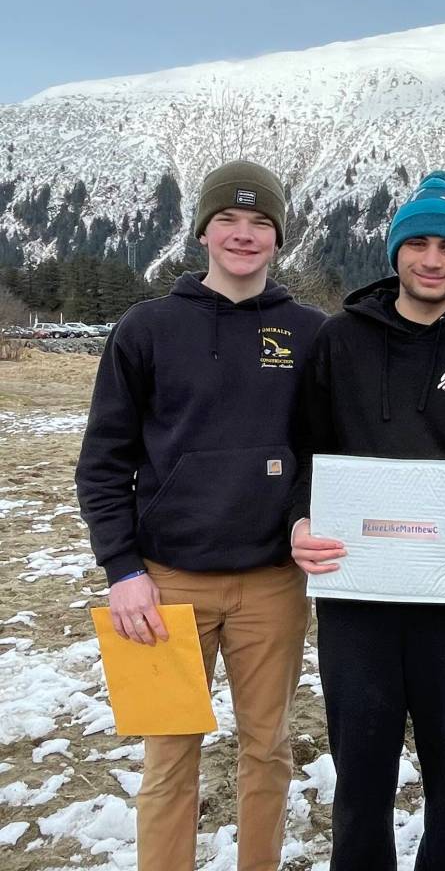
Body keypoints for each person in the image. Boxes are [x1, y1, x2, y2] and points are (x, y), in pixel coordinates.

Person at [76, 160, 327, 871]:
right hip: (162, 585)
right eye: (228, 220)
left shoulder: (310, 333)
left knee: (267, 751)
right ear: (203, 232)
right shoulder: (146, 328)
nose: (243, 235)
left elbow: (321, 454)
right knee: (168, 757)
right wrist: (122, 569)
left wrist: (307, 519)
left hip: (271, 586)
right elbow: (102, 464)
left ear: (278, 237)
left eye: (259, 223)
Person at [288, 169, 445, 871]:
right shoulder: (340, 342)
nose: (433, 259)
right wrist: (300, 523)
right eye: (418, 242)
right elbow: (303, 454)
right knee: (359, 786)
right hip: (357, 603)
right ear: (395, 251)